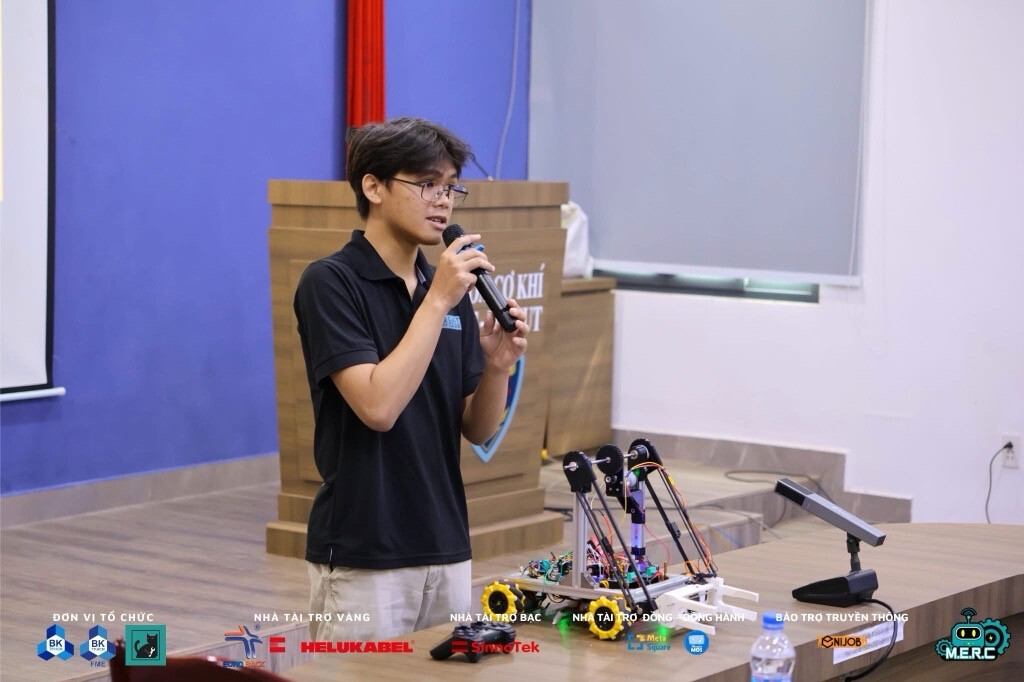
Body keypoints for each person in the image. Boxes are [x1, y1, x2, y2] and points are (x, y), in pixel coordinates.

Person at [293, 117, 529, 640]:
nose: (442, 201)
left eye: (451, 187)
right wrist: (438, 299)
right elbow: (377, 408)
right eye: (426, 184)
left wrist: (497, 366)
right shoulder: (331, 282)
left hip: (445, 542)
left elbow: (478, 428)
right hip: (365, 548)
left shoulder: (446, 289)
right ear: (373, 187)